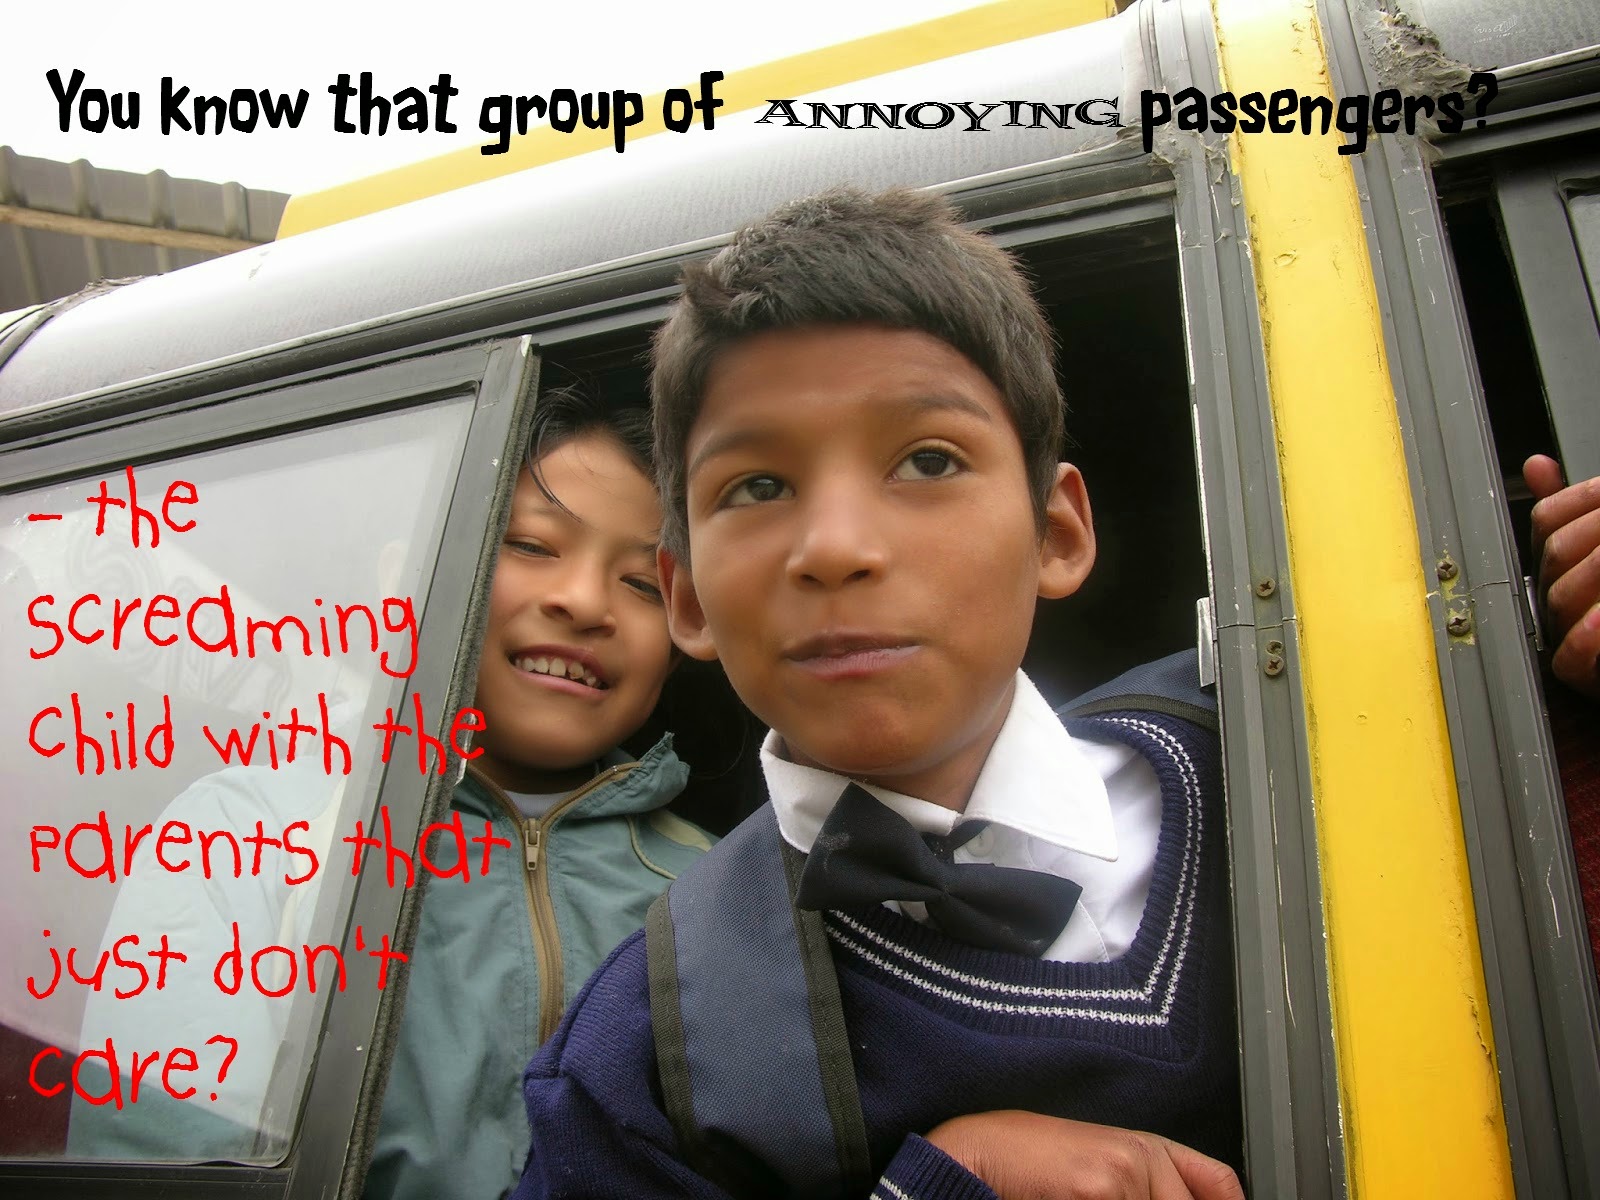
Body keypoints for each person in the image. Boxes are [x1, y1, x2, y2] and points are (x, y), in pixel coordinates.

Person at [511, 187, 1245, 1200]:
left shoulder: (1272, 753)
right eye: (757, 487)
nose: (836, 547)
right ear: (686, 599)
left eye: (927, 461)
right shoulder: (648, 1055)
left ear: (1055, 533)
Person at [363, 386, 715, 1200]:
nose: (584, 602)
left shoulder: (721, 891)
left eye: (642, 584)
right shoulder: (268, 837)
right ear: (416, 572)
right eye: (530, 544)